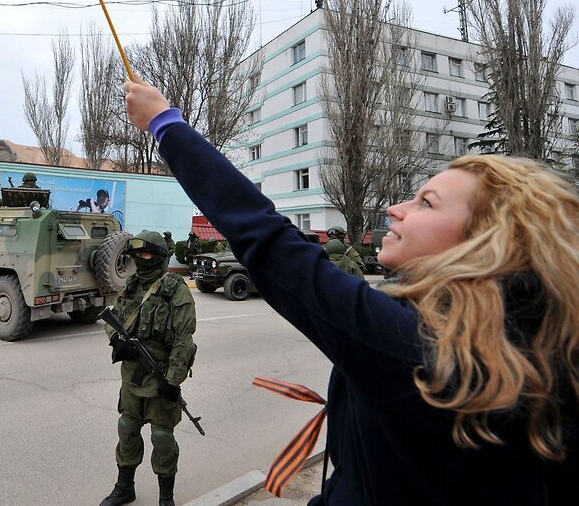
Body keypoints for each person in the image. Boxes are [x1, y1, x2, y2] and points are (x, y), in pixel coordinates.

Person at [123, 77, 579, 505]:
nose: (395, 209)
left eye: (425, 202)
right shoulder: (539, 349)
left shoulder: (419, 348)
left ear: (485, 241)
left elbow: (269, 240)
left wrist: (166, 125)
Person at [100, 230, 196, 506]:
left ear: (158, 256)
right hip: (132, 374)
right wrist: (116, 340)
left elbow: (183, 340)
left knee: (162, 438)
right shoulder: (131, 286)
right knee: (127, 429)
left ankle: (166, 498)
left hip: (162, 374)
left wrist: (173, 381)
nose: (141, 260)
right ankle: (124, 487)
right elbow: (113, 318)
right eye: (136, 255)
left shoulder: (175, 290)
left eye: (146, 255)